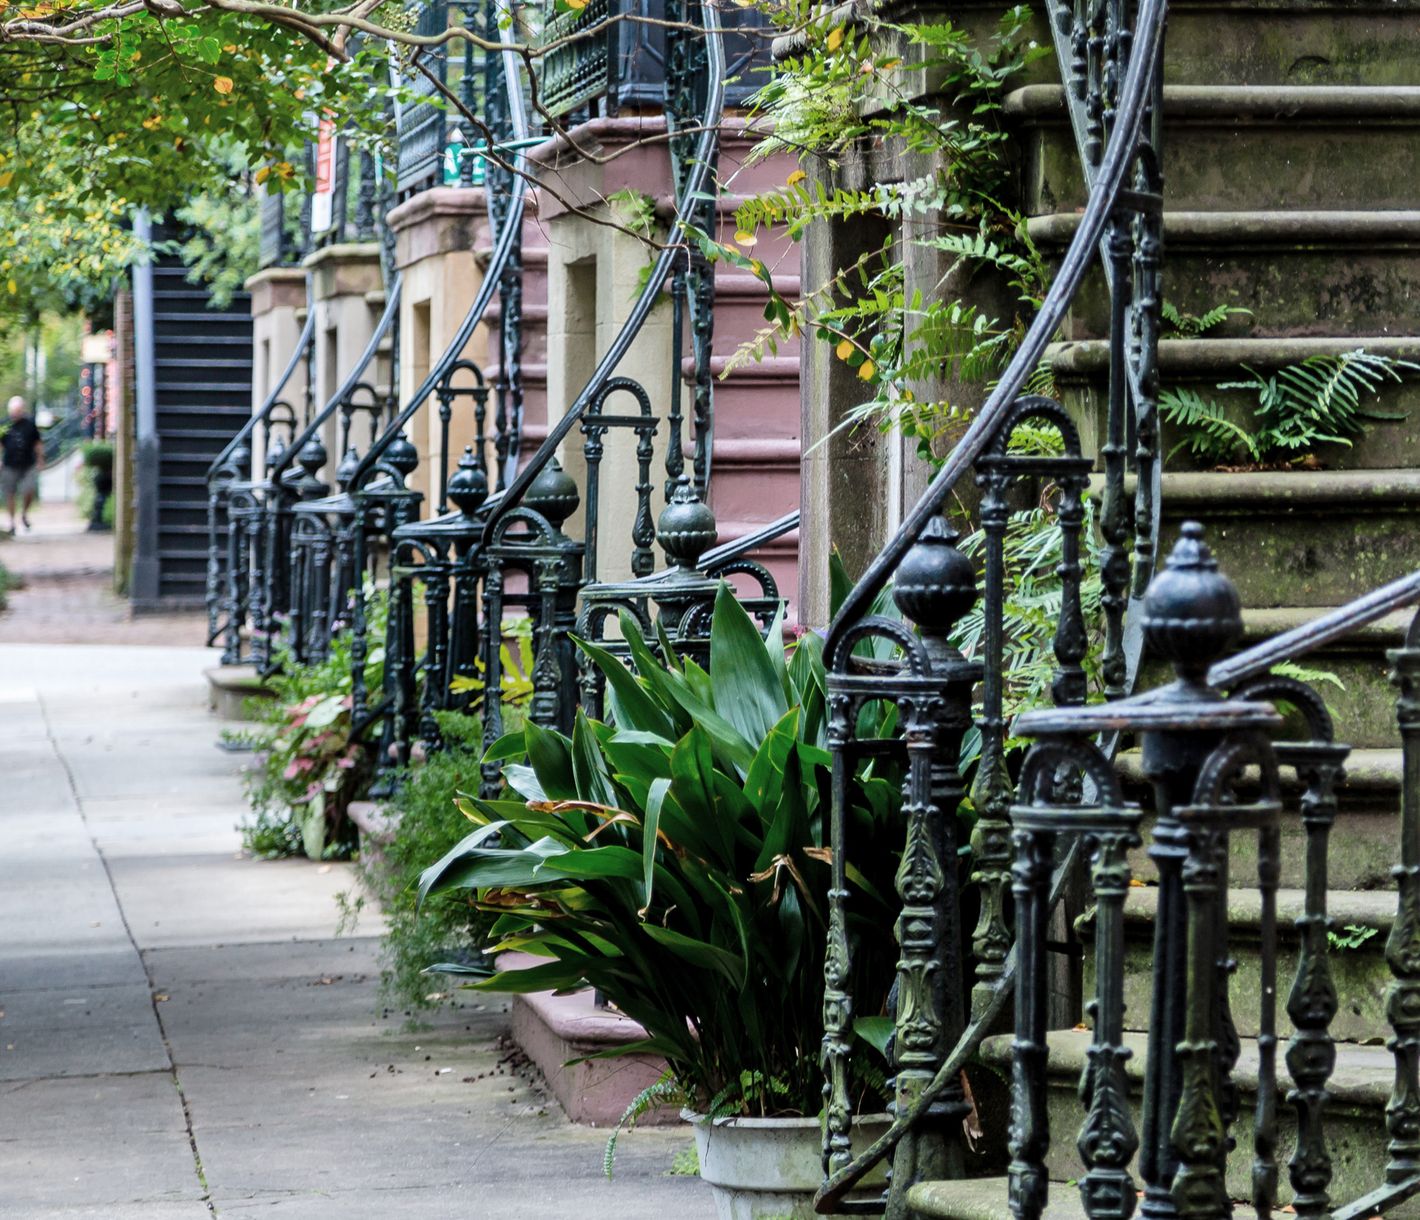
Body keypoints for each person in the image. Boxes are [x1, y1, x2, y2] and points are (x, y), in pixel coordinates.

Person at [1, 395, 43, 533]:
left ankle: (24, 514)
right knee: (10, 492)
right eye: (14, 411)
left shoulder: (30, 424)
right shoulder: (5, 425)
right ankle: (12, 522)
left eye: (18, 410)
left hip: (28, 463)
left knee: (29, 489)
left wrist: (40, 459)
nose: (15, 413)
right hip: (9, 463)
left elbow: (37, 443)